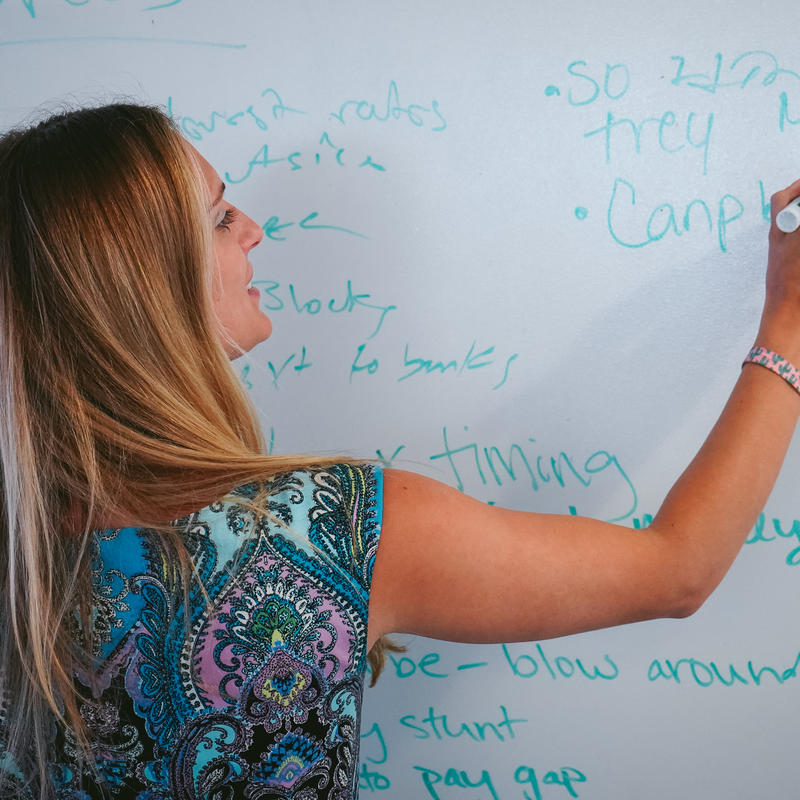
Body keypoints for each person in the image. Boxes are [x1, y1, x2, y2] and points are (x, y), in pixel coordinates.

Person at [1, 102, 799, 800]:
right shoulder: (327, 534)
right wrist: (788, 325)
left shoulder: (21, 541)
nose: (254, 228)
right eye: (217, 219)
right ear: (147, 287)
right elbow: (678, 567)